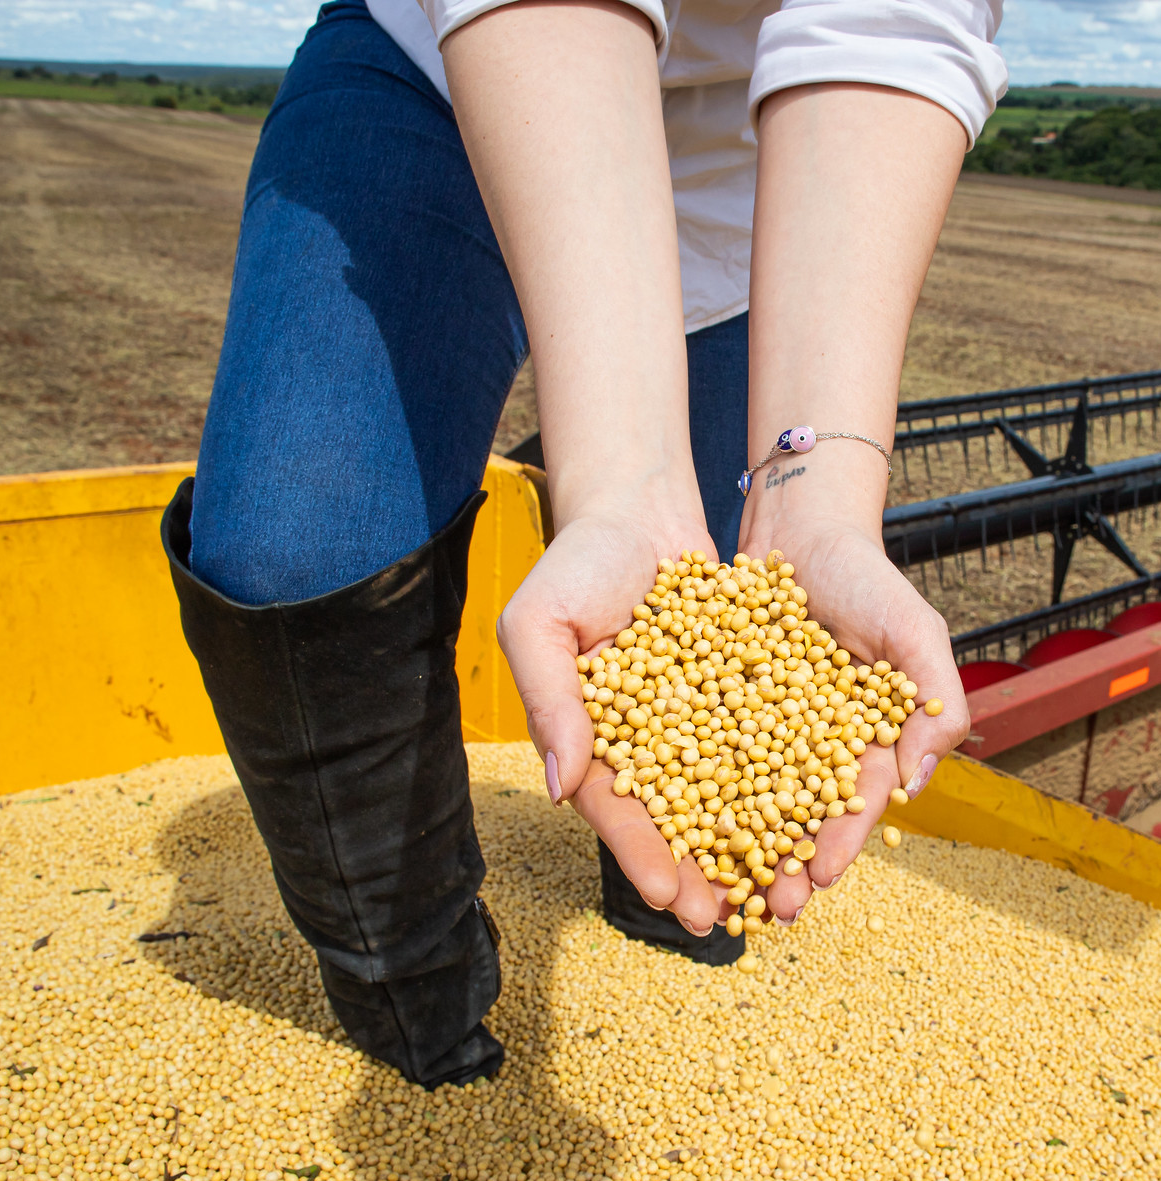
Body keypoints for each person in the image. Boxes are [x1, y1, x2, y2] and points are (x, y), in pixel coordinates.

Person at [161, 0, 1001, 1088]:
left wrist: (821, 500)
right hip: (444, 75)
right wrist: (622, 483)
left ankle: (659, 915)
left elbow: (886, 27)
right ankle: (415, 996)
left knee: (702, 841)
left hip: (762, 162)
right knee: (293, 548)